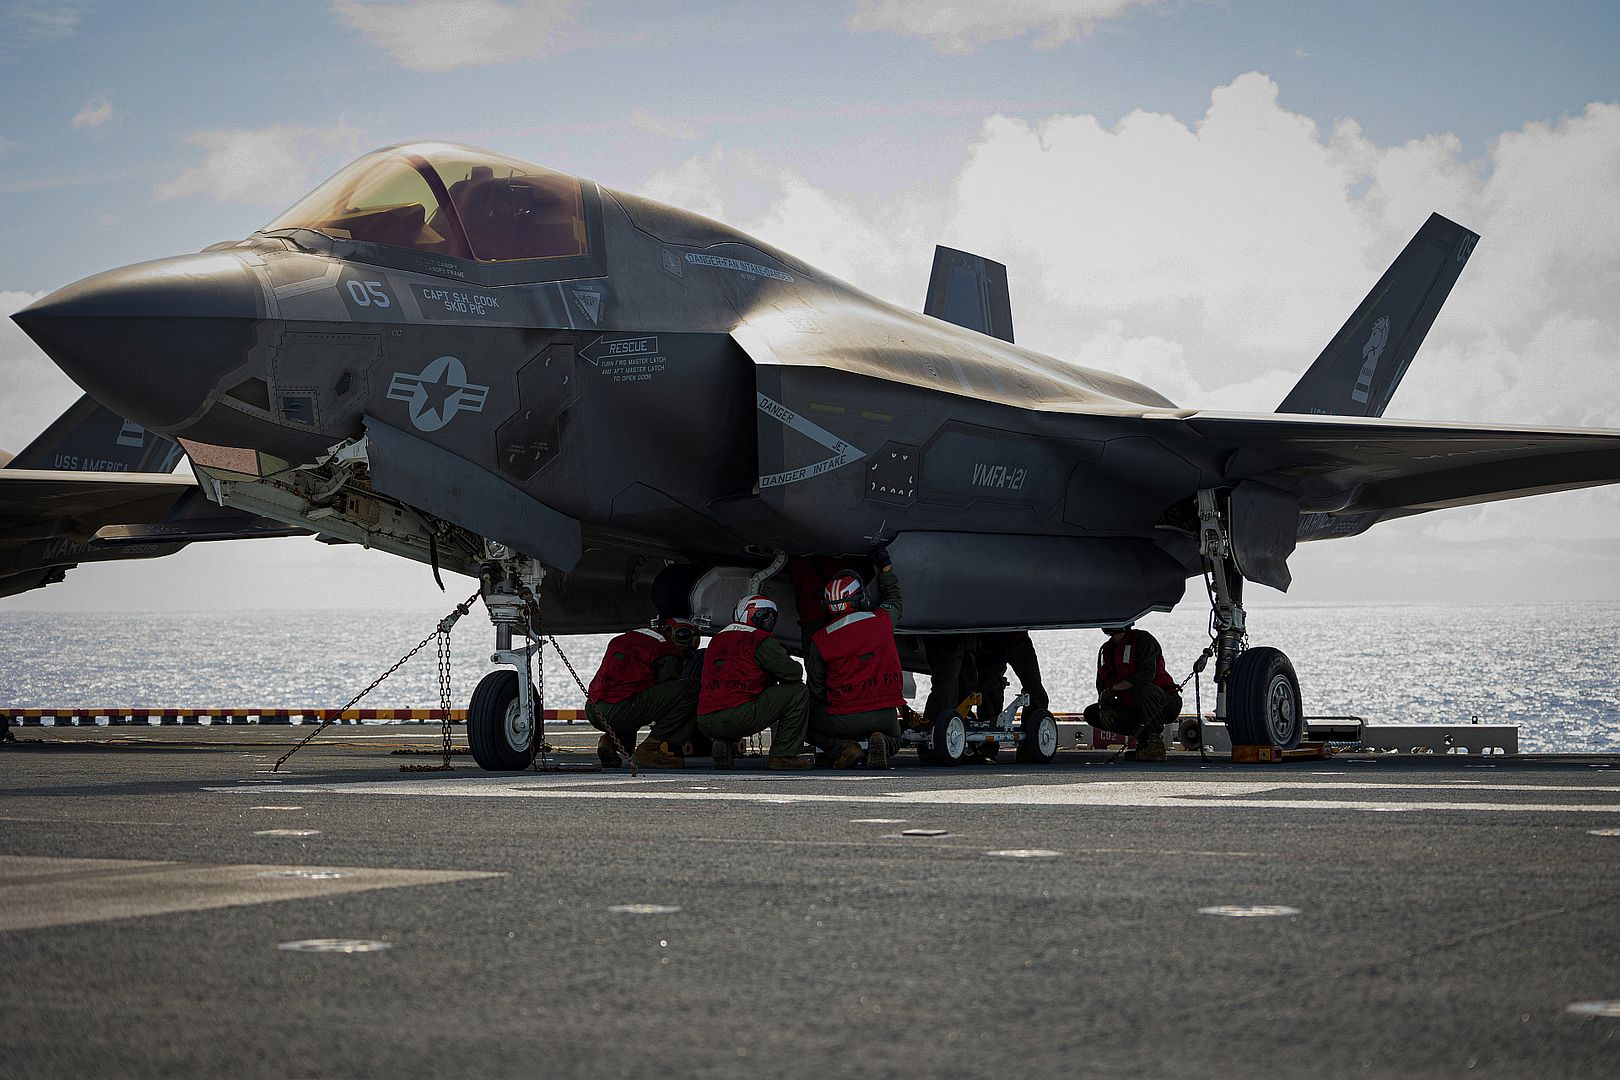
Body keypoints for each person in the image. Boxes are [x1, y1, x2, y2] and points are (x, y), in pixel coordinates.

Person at [805, 547, 904, 769]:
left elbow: (817, 689)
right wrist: (885, 568)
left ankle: (845, 748)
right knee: (896, 739)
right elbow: (895, 599)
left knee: (802, 720)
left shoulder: (821, 639)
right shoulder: (882, 620)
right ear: (860, 599)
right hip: (886, 714)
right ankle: (884, 743)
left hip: (845, 718)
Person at [697, 595, 813, 770]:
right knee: (798, 691)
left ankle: (723, 743)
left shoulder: (717, 640)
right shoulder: (758, 639)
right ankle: (783, 755)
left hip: (705, 720)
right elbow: (793, 674)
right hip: (739, 716)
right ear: (761, 616)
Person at [585, 617, 700, 769]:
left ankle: (610, 741)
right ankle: (652, 749)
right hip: (620, 709)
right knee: (692, 689)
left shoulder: (631, 637)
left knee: (636, 696)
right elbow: (668, 698)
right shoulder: (667, 650)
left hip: (594, 710)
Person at [1084, 624, 1181, 762]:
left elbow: (1146, 675)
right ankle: (1143, 738)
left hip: (1164, 703)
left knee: (1142, 689)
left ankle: (1155, 745)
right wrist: (1104, 705)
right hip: (1134, 707)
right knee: (1091, 713)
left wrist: (1113, 690)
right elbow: (1102, 685)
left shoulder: (1143, 640)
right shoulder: (1106, 651)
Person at [974, 631, 1050, 726]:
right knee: (988, 691)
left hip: (1017, 640)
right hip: (992, 641)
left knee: (1035, 691)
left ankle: (1033, 730)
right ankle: (988, 730)